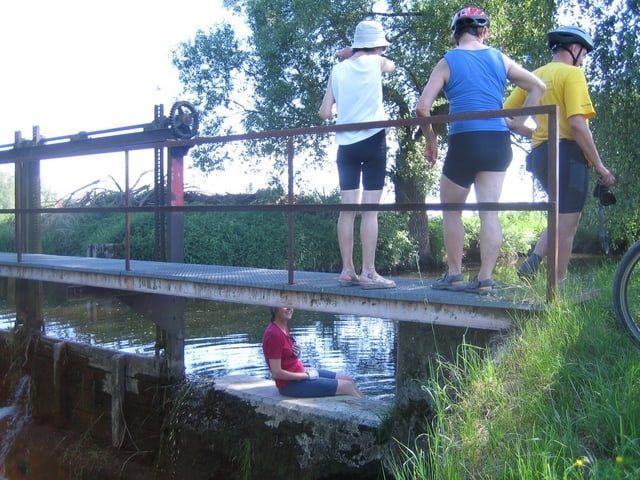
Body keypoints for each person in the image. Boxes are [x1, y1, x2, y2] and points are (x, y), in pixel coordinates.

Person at [415, 6, 546, 294]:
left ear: (455, 34)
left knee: (451, 210)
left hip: (465, 140)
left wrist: (431, 139)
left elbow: (422, 108)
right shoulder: (498, 57)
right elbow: (538, 86)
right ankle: (485, 279)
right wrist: (518, 122)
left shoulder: (448, 61)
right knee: (489, 211)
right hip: (497, 140)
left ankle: (454, 275)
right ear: (483, 31)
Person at [504, 26, 616, 282]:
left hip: (542, 156)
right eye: (584, 54)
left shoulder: (534, 76)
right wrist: (600, 165)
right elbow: (577, 124)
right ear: (575, 49)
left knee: (559, 212)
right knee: (568, 224)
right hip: (568, 155)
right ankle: (558, 287)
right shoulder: (572, 74)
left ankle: (533, 263)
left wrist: (536, 134)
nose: (584, 60)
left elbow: (508, 118)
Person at [318, 20, 396, 290]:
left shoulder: (337, 70)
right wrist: (359, 52)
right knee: (370, 211)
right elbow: (391, 65)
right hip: (374, 142)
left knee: (347, 210)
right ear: (377, 45)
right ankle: (369, 272)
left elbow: (325, 113)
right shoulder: (377, 63)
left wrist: (348, 103)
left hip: (346, 147)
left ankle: (346, 270)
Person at [262, 306, 363, 398]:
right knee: (347, 386)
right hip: (290, 385)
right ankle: (370, 416)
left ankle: (369, 408)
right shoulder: (274, 334)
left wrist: (296, 354)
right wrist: (306, 376)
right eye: (285, 306)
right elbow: (276, 373)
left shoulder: (283, 328)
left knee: (348, 379)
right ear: (274, 308)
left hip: (301, 372)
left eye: (291, 305)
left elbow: (285, 359)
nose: (289, 308)